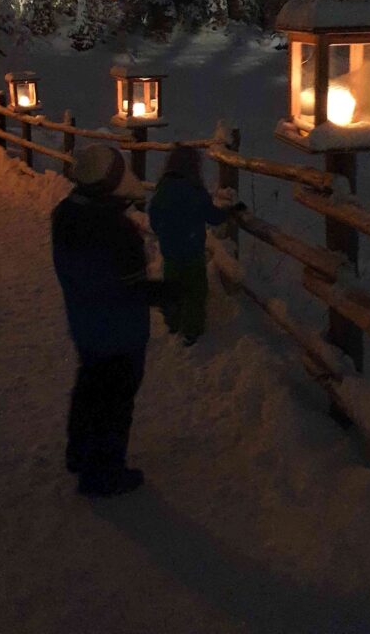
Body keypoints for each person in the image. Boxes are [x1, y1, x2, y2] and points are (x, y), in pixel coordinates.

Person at [51, 143, 150, 497]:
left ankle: (79, 452)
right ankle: (103, 473)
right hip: (120, 333)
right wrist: (167, 291)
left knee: (91, 388)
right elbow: (129, 288)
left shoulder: (66, 214)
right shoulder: (114, 232)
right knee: (115, 401)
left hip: (86, 324)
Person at [148, 145, 244, 346]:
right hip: (193, 253)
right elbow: (213, 217)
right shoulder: (196, 191)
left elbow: (154, 219)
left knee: (172, 287)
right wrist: (229, 212)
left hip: (171, 252)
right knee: (195, 292)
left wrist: (165, 232)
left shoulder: (163, 189)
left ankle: (173, 322)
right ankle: (192, 330)